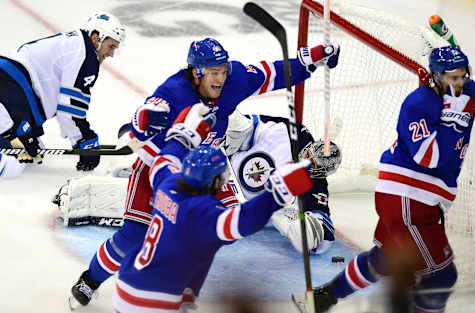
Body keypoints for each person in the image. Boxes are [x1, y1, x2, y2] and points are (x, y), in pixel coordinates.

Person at [69, 36, 341, 306]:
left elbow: (272, 72)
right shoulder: (174, 91)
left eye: (222, 71)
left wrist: (312, 60)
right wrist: (143, 122)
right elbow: (144, 118)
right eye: (213, 72)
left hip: (206, 170)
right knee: (133, 237)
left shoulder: (234, 80)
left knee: (228, 224)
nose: (220, 79)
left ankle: (183, 271)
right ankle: (90, 279)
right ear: (196, 72)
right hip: (159, 169)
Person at [306, 46, 475, 313]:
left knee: (384, 259)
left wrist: (462, 98)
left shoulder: (466, 92)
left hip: (411, 198)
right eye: (450, 77)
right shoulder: (418, 104)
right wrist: (451, 120)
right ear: (435, 76)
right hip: (407, 198)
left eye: (461, 76)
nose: (457, 83)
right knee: (442, 277)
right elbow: (431, 158)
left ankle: (324, 297)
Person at [112, 107, 314, 313]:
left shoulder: (166, 181)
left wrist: (183, 134)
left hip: (126, 282)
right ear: (215, 181)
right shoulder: (202, 213)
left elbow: (165, 158)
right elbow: (244, 220)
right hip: (157, 298)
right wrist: (277, 194)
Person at [0, 12, 126, 178]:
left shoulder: (75, 44)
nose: (111, 54)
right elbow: (69, 109)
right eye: (111, 47)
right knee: (10, 166)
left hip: (13, 93)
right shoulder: (86, 56)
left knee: (29, 156)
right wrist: (84, 140)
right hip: (9, 94)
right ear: (96, 38)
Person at [224, 110, 341, 254]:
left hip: (234, 207)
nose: (306, 160)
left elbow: (325, 233)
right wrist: (236, 128)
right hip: (219, 170)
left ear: (321, 173)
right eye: (308, 154)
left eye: (314, 164)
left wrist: (307, 230)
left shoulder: (316, 188)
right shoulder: (293, 133)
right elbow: (248, 125)